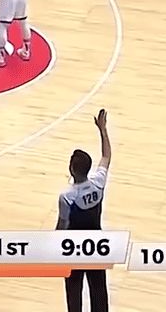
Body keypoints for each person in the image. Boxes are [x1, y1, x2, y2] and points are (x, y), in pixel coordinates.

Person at [60, 109, 112, 312]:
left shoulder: (67, 196)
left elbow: (61, 227)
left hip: (74, 249)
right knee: (99, 291)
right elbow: (106, 157)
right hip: (96, 245)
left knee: (74, 292)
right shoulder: (98, 183)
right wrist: (103, 130)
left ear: (72, 169)